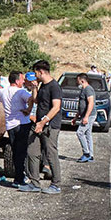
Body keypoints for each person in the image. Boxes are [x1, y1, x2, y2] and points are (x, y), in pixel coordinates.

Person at [0, 72, 36, 191]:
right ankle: (20, 178)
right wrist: (29, 109)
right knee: (22, 153)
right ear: (17, 81)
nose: (23, 81)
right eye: (22, 79)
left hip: (10, 126)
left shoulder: (3, 91)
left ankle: (19, 177)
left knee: (15, 151)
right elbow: (32, 99)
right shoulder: (20, 92)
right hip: (22, 124)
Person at [27, 60, 63, 195]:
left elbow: (56, 107)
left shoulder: (54, 86)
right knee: (32, 151)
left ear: (41, 72)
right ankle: (34, 183)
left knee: (50, 154)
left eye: (36, 73)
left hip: (50, 126)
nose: (35, 75)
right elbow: (36, 101)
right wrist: (34, 88)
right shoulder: (42, 85)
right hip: (38, 124)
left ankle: (56, 184)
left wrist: (43, 122)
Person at [74, 73, 97, 163]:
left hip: (89, 115)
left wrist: (86, 117)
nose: (77, 82)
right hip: (85, 115)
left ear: (82, 80)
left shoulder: (88, 89)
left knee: (80, 132)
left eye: (78, 80)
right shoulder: (84, 89)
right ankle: (90, 155)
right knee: (88, 134)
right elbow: (82, 105)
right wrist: (76, 117)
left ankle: (86, 153)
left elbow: (91, 103)